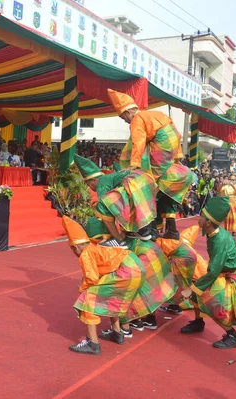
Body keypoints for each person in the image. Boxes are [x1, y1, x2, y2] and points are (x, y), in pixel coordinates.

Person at [107, 89, 193, 240]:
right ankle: (169, 229)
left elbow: (138, 142)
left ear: (128, 112)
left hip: (161, 143)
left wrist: (134, 163)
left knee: (149, 184)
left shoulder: (137, 119)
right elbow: (176, 133)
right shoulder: (153, 114)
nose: (125, 121)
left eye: (123, 118)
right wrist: (177, 156)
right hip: (171, 142)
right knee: (159, 183)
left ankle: (149, 229)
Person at [62, 216, 145, 355]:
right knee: (112, 297)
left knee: (88, 298)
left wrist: (82, 287)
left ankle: (92, 343)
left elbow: (92, 278)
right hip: (136, 266)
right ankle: (117, 332)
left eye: (73, 250)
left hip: (127, 270)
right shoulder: (94, 247)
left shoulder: (85, 253)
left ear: (75, 247)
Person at [180, 197, 236, 349]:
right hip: (224, 271)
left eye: (202, 216)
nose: (199, 218)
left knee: (208, 297)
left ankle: (234, 335)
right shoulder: (213, 233)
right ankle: (199, 322)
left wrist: (190, 290)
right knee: (197, 286)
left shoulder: (219, 240)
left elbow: (213, 272)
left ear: (208, 222)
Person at [74, 154, 157, 246]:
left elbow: (104, 204)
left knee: (103, 206)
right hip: (146, 181)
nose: (90, 188)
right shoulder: (110, 178)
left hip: (133, 183)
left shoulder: (101, 183)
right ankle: (144, 231)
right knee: (121, 206)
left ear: (93, 180)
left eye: (88, 184)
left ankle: (118, 240)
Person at [156, 226, 208, 315]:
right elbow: (191, 231)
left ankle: (179, 305)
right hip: (194, 260)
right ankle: (175, 305)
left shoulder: (159, 242)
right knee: (181, 283)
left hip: (187, 262)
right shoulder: (181, 238)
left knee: (178, 283)